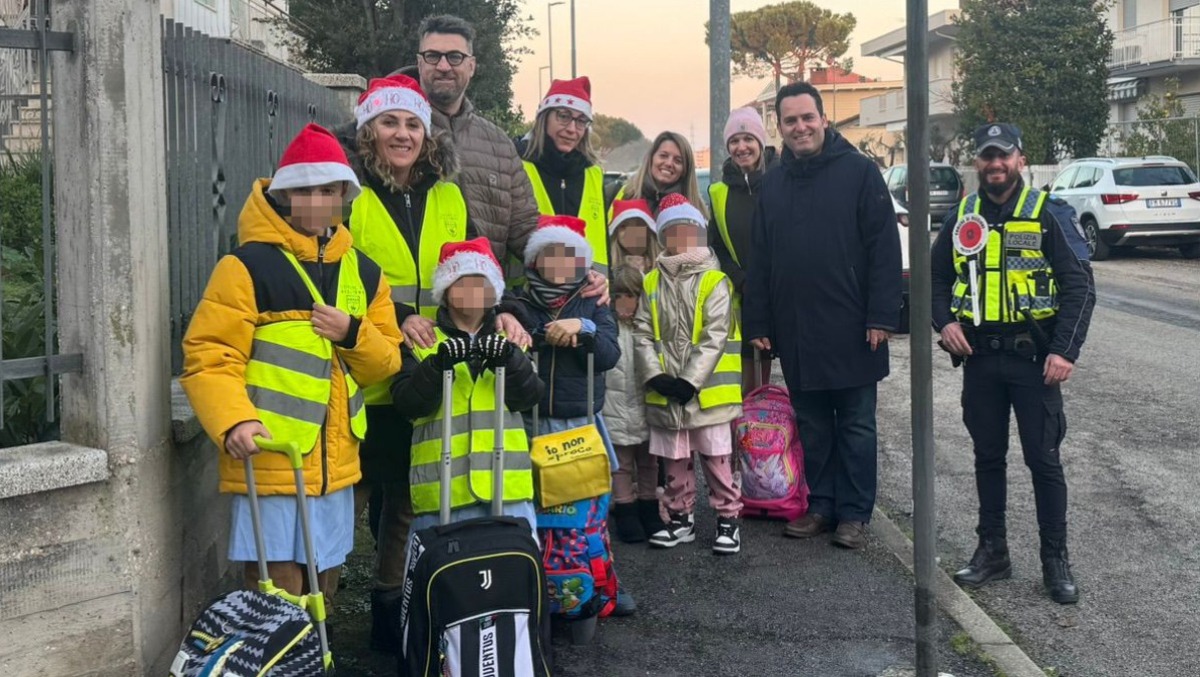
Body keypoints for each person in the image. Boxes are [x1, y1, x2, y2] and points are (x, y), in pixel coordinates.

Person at [343, 73, 532, 653]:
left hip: (428, 367)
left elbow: (473, 267)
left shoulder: (448, 193)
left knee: (406, 502)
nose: (401, 134)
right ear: (369, 130)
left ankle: (394, 614)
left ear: (427, 135)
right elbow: (341, 278)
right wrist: (395, 315)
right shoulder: (350, 193)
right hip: (363, 365)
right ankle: (315, 622)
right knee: (347, 504)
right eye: (389, 122)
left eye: (412, 124)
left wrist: (502, 312)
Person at [180, 123, 402, 602]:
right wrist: (234, 420)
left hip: (336, 467)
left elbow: (386, 362)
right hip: (270, 460)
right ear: (284, 195)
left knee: (324, 585)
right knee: (276, 587)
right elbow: (210, 356)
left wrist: (352, 333)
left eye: (329, 190)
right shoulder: (244, 268)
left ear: (344, 194)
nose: (318, 200)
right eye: (305, 190)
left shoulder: (364, 272)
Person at [932, 122, 1095, 605]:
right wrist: (944, 324)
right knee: (987, 458)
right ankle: (993, 552)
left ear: (1020, 159)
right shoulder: (962, 216)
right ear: (977, 162)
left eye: (1004, 155)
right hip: (980, 360)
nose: (995, 164)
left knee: (1044, 461)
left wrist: (1065, 350)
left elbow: (1079, 286)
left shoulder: (1047, 214)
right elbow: (936, 278)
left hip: (1033, 362)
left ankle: (1055, 560)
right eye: (987, 156)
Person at [743, 81, 902, 550]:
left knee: (855, 424)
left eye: (807, 117)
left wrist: (881, 316)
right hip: (797, 330)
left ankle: (854, 513)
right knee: (812, 424)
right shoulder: (773, 184)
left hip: (854, 327)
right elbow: (761, 260)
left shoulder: (860, 173)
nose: (800, 127)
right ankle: (822, 505)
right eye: (790, 120)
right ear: (781, 126)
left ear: (823, 119)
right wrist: (759, 324)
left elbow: (884, 250)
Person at [411, 15, 607, 301]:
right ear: (419, 63)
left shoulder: (498, 143)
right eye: (433, 56)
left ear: (472, 65)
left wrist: (581, 272)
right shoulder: (397, 134)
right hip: (411, 320)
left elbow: (525, 228)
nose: (443, 66)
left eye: (454, 56)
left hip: (486, 313)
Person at [514, 214, 636, 615]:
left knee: (586, 512)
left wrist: (582, 327)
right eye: (551, 254)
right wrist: (532, 330)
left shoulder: (593, 302)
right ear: (534, 261)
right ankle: (538, 586)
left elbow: (608, 353)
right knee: (536, 511)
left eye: (570, 255)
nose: (561, 263)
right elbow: (513, 333)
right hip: (531, 423)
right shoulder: (518, 301)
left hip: (578, 424)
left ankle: (599, 584)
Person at [390, 238, 543, 537]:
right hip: (442, 490)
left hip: (506, 489)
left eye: (481, 283)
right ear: (445, 292)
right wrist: (435, 368)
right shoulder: (423, 342)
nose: (473, 292)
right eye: (462, 283)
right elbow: (407, 403)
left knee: (510, 573)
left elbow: (530, 396)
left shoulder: (510, 337)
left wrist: (511, 360)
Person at [634, 193, 744, 555]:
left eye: (688, 229)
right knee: (674, 460)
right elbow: (642, 332)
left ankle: (728, 519)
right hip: (667, 394)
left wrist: (690, 381)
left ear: (700, 233)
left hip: (707, 393)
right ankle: (681, 518)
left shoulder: (715, 281)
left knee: (716, 459)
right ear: (662, 236)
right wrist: (656, 376)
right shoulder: (651, 282)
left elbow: (716, 335)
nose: (681, 237)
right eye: (673, 230)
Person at [603, 201, 664, 542]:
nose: (627, 302)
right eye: (621, 296)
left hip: (646, 400)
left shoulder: (648, 324)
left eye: (633, 296)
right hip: (615, 403)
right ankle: (625, 509)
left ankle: (649, 507)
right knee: (621, 462)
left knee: (649, 461)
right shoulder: (608, 328)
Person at [708, 107, 778, 392]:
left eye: (748, 138)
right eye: (734, 141)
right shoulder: (718, 192)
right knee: (752, 383)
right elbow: (717, 247)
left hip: (784, 290)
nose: (741, 147)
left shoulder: (783, 179)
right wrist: (742, 280)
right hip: (746, 296)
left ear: (760, 141)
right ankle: (756, 434)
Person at [518, 76, 610, 276]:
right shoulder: (517, 164)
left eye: (581, 121)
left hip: (588, 297)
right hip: (527, 299)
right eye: (563, 116)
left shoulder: (593, 174)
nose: (571, 129)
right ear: (544, 118)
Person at [609, 131, 707, 217]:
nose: (669, 163)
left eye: (678, 161)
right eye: (663, 156)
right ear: (651, 158)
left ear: (685, 170)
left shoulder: (695, 209)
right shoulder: (624, 194)